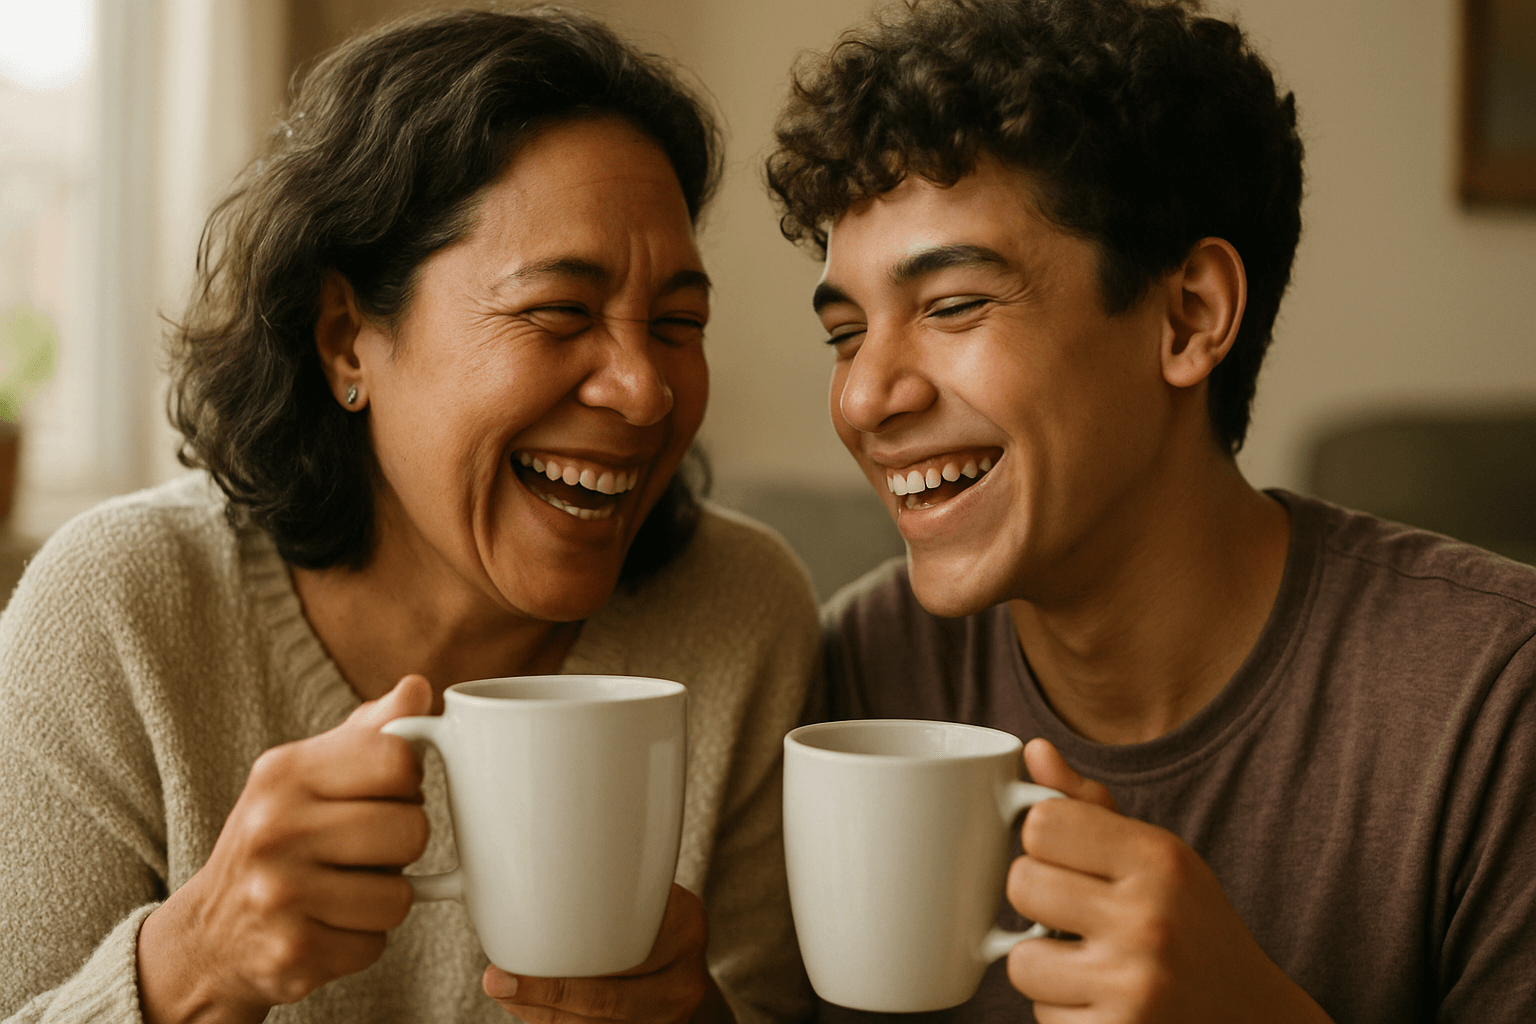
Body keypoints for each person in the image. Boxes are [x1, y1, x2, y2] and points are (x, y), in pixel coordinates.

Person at [0, 9, 817, 1024]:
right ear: (348, 339)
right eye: (560, 310)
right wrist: (195, 962)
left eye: (678, 324)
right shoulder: (120, 613)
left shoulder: (743, 615)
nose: (645, 390)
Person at [766, 0, 1536, 1021]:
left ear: (1190, 316)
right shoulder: (855, 682)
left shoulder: (1495, 705)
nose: (864, 398)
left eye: (952, 305)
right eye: (846, 333)